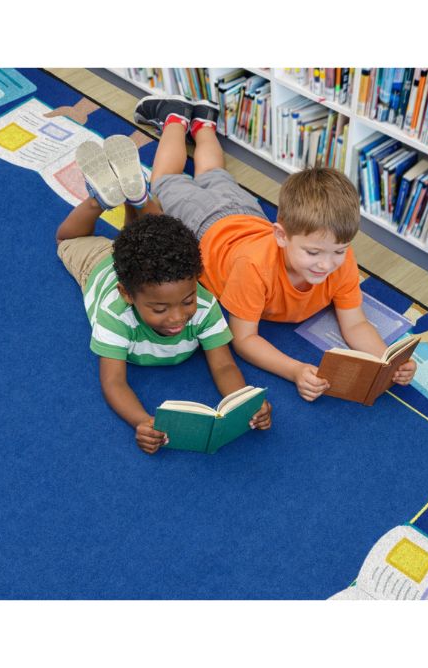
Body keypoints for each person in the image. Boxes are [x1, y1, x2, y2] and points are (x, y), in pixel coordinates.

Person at [131, 94, 417, 402]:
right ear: (281, 236)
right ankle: (175, 117)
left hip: (245, 214)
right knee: (164, 180)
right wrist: (294, 369)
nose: (327, 264)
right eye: (313, 253)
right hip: (205, 225)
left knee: (214, 175)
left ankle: (203, 124)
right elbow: (244, 338)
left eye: (339, 250)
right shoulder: (254, 267)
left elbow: (356, 323)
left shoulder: (341, 259)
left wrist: (387, 359)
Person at [56, 134, 272, 453]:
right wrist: (141, 420)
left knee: (157, 236)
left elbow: (224, 365)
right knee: (66, 240)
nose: (177, 317)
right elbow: (113, 381)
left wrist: (243, 403)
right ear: (127, 295)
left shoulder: (203, 303)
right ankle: (99, 201)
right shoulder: (114, 314)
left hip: (146, 266)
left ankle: (139, 196)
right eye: (159, 309)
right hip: (99, 264)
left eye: (187, 300)